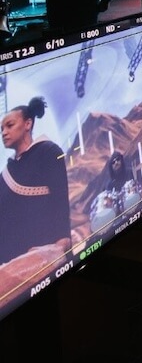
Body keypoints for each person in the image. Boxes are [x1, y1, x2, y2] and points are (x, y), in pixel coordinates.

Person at [0, 96, 71, 266]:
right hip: (11, 261)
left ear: (28, 124)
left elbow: (60, 199)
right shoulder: (7, 171)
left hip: (43, 258)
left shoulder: (48, 151)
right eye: (1, 129)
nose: (3, 132)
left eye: (10, 125)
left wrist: (62, 241)